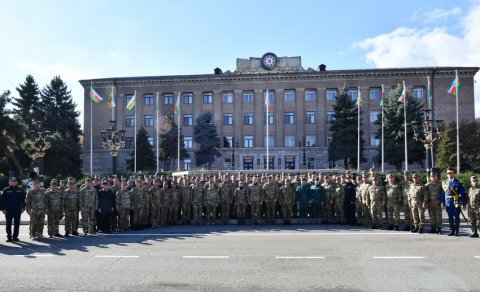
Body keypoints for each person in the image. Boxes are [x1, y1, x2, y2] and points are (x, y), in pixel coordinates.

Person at [0, 177, 26, 242]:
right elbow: (2, 200)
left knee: (17, 224)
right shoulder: (6, 190)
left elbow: (23, 200)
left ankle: (15, 237)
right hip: (8, 210)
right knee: (8, 224)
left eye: (14, 181)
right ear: (9, 182)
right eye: (11, 181)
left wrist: (23, 208)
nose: (13, 182)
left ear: (16, 182)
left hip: (17, 210)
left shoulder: (20, 190)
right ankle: (9, 237)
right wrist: (3, 209)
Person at [442, 168, 466, 236]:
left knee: (456, 217)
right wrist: (442, 202)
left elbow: (462, 192)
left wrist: (461, 200)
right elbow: (443, 193)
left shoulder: (459, 181)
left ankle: (457, 231)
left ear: (453, 174)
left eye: (450, 173)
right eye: (448, 173)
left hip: (456, 201)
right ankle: (452, 231)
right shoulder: (444, 182)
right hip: (448, 202)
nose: (449, 175)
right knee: (450, 217)